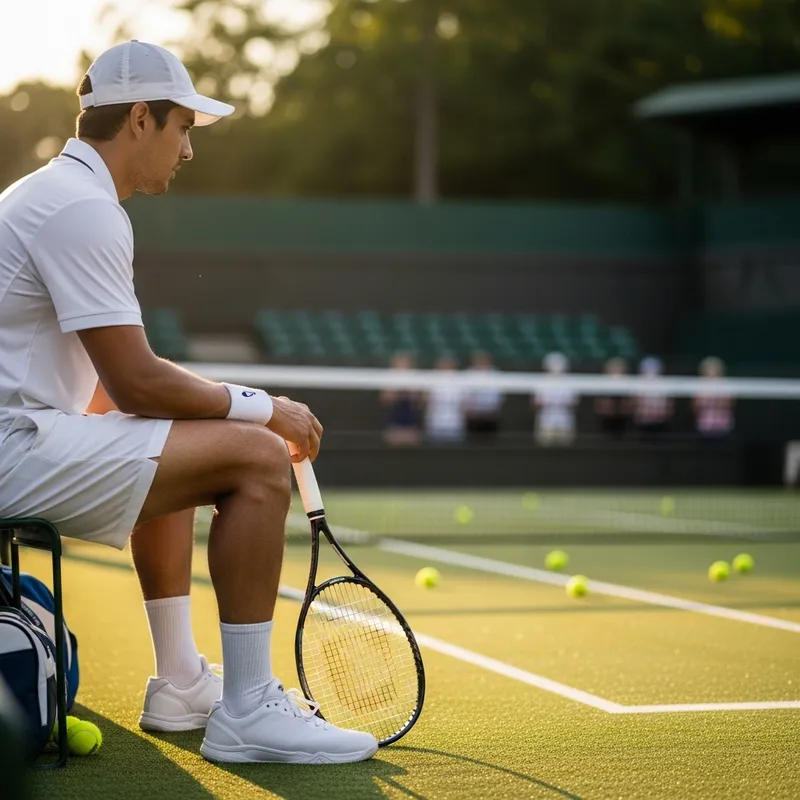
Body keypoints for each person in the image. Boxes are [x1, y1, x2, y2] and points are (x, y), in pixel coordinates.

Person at [0, 41, 377, 764]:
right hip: (13, 450)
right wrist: (264, 410)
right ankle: (249, 710)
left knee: (180, 426)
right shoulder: (82, 210)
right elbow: (136, 383)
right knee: (258, 459)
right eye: (182, 128)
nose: (188, 150)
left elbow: (120, 385)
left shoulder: (48, 194)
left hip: (19, 437)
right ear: (140, 118)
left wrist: (218, 407)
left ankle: (178, 683)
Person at [532, 352, 578, 446]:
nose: (556, 368)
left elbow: (575, 406)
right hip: (546, 424)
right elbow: (535, 405)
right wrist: (546, 403)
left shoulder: (571, 382)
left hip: (565, 424)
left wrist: (562, 403)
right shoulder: (541, 382)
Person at [380, 352, 423, 445]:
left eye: (405, 363)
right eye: (399, 363)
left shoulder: (415, 377)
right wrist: (398, 392)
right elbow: (385, 398)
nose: (402, 366)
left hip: (411, 418)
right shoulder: (389, 377)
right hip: (394, 418)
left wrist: (407, 392)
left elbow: (418, 398)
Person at [424, 354, 466, 444]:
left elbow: (464, 404)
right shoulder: (431, 380)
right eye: (443, 365)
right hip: (435, 423)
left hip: (454, 423)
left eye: (448, 365)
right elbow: (426, 401)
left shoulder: (460, 381)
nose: (445, 368)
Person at [463, 350, 504, 442]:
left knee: (490, 442)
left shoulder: (496, 375)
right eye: (479, 360)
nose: (481, 362)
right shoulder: (468, 374)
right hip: (473, 416)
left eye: (484, 359)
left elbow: (498, 396)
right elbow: (465, 395)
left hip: (490, 415)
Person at [693, 356, 734, 439]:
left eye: (714, 369)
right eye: (709, 369)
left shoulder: (726, 384)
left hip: (723, 425)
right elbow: (695, 406)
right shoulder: (699, 385)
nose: (712, 372)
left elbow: (730, 404)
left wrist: (716, 398)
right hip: (704, 426)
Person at [632, 356, 673, 438]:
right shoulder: (638, 383)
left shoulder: (664, 383)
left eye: (653, 368)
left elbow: (669, 403)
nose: (651, 371)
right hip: (643, 419)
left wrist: (665, 415)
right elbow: (635, 402)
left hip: (660, 419)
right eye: (648, 368)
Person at [593, 357, 633, 438]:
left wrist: (620, 407)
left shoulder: (629, 386)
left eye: (618, 370)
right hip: (606, 422)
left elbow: (630, 406)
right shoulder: (602, 386)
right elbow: (599, 407)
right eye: (613, 370)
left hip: (623, 422)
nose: (615, 372)